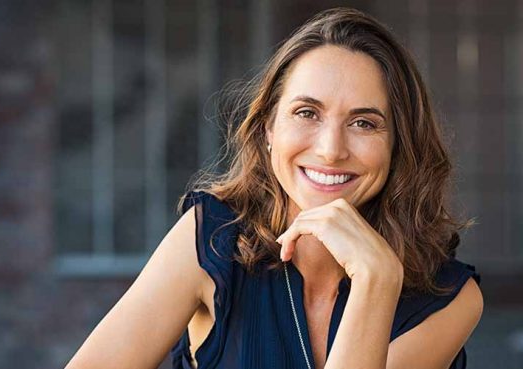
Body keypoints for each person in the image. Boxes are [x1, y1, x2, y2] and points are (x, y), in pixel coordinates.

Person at [65, 7, 483, 369]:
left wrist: (377, 281)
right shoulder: (211, 238)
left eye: (364, 123)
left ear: (398, 145)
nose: (331, 150)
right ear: (268, 128)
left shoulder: (451, 296)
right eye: (306, 112)